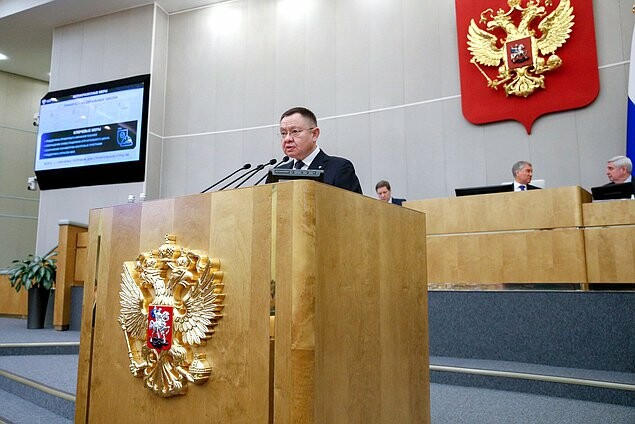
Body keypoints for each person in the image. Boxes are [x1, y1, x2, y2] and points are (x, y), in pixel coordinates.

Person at [278, 107, 362, 194]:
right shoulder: (279, 171)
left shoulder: (339, 168)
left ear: (314, 134)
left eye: (295, 131)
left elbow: (353, 203)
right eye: (283, 133)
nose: (287, 139)